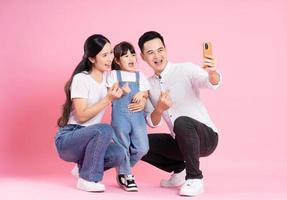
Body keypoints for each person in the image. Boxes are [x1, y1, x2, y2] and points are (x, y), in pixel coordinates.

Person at [138, 31, 221, 196]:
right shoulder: (147, 85)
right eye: (150, 52)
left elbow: (210, 82)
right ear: (142, 56)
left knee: (181, 121)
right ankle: (179, 170)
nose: (157, 56)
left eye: (160, 50)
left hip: (207, 137)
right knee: (138, 143)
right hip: (180, 141)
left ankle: (195, 178)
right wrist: (159, 109)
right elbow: (152, 122)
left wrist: (212, 73)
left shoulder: (185, 69)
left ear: (166, 50)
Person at [55, 34, 127, 192]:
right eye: (104, 55)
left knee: (118, 153)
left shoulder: (108, 77)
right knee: (105, 129)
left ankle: (82, 169)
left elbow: (128, 76)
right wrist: (108, 98)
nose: (110, 58)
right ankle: (87, 179)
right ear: (92, 59)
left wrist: (141, 96)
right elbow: (81, 116)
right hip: (69, 139)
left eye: (111, 53)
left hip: (92, 140)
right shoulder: (81, 79)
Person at [106, 41, 150, 192]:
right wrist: (121, 91)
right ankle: (128, 176)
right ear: (117, 60)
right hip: (120, 117)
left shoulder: (140, 76)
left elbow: (146, 93)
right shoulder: (113, 75)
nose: (131, 58)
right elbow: (109, 94)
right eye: (125, 56)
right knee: (122, 146)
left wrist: (141, 94)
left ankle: (123, 169)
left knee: (143, 148)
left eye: (132, 54)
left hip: (138, 117)